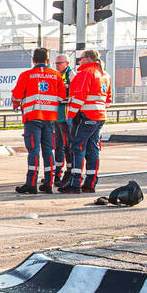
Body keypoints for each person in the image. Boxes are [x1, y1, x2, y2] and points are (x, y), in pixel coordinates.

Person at [11, 48, 65, 194]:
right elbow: (62, 96)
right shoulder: (56, 75)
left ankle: (31, 183)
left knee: (34, 150)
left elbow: (17, 96)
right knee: (48, 150)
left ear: (33, 60)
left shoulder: (26, 75)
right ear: (48, 60)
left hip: (33, 118)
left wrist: (16, 104)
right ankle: (48, 183)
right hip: (50, 119)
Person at [60, 49, 112, 194]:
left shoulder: (86, 73)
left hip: (86, 116)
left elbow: (79, 97)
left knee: (78, 148)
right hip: (99, 117)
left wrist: (70, 116)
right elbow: (108, 100)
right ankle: (90, 183)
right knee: (93, 149)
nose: (79, 61)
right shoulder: (105, 75)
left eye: (81, 58)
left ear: (88, 58)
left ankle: (75, 183)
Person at [52, 54, 75, 185]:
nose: (57, 66)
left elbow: (73, 94)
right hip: (57, 116)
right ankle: (57, 172)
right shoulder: (56, 75)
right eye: (56, 63)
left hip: (66, 117)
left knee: (68, 146)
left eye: (59, 63)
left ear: (67, 63)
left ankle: (69, 172)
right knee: (58, 145)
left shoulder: (72, 75)